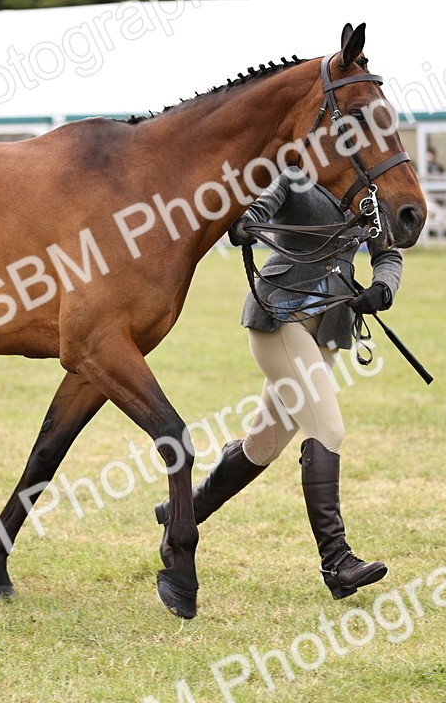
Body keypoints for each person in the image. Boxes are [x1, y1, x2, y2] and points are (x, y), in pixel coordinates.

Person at [155, 169, 401, 600]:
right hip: (279, 318)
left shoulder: (368, 188)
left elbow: (388, 253)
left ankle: (183, 512)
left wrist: (382, 288)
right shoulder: (294, 174)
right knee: (327, 430)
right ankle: (337, 562)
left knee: (263, 446)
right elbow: (259, 206)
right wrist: (245, 224)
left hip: (329, 326)